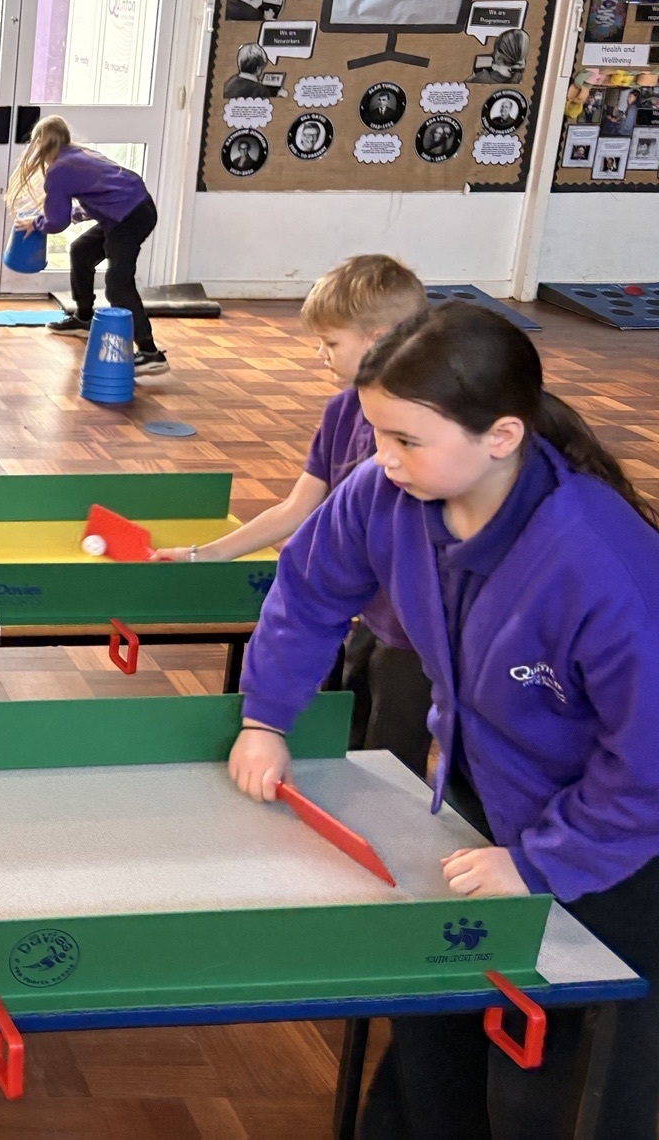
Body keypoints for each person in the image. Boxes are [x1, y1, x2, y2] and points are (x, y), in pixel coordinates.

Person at [227, 303, 659, 1140]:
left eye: (407, 440)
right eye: (375, 432)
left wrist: (539, 863)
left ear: (501, 437)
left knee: (555, 1086)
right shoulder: (385, 494)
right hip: (477, 802)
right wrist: (267, 716)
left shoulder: (602, 563)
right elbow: (309, 592)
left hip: (615, 848)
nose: (383, 458)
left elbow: (647, 764)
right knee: (436, 1030)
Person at [155, 255, 432, 773]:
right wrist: (206, 554)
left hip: (420, 635)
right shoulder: (341, 412)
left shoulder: (430, 431)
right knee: (348, 738)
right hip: (365, 614)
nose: (319, 354)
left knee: (394, 762)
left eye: (331, 343)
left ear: (379, 340)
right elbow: (297, 508)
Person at [9, 117, 167, 376]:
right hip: (132, 208)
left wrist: (36, 224)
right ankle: (84, 319)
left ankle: (150, 353)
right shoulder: (78, 155)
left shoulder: (59, 170)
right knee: (81, 251)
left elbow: (56, 222)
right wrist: (66, 216)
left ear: (39, 144)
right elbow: (100, 196)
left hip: (129, 218)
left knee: (118, 284)